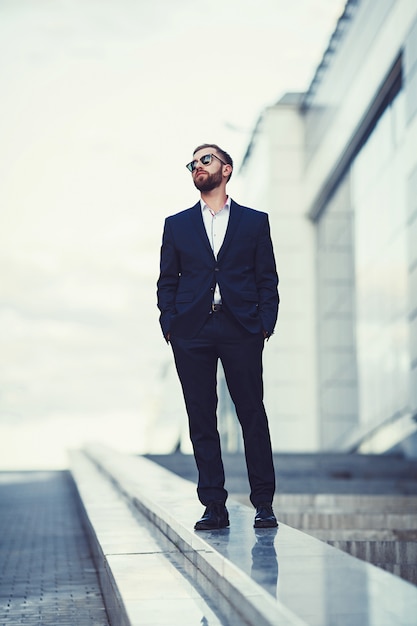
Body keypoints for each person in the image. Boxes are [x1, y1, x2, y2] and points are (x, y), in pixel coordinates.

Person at [157, 143, 279, 530]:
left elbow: (267, 279)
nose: (197, 166)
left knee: (252, 415)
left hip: (241, 327)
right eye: (191, 163)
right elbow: (166, 281)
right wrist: (170, 323)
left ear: (226, 169)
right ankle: (214, 506)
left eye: (205, 159)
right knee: (201, 418)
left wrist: (264, 323)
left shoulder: (254, 222)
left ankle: (264, 503)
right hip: (191, 331)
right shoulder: (176, 224)